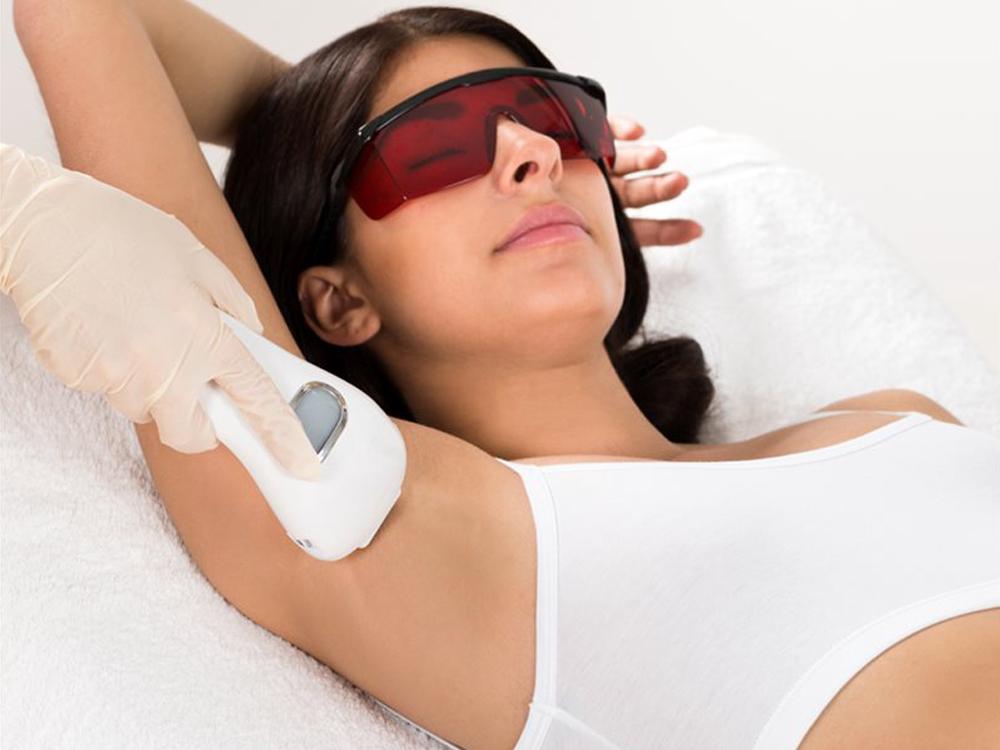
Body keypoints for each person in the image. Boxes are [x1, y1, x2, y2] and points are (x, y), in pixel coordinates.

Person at [12, 2, 998, 749]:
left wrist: (378, 144)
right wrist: (316, 132)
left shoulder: (891, 417)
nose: (533, 154)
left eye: (557, 123)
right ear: (339, 302)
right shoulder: (400, 527)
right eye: (434, 145)